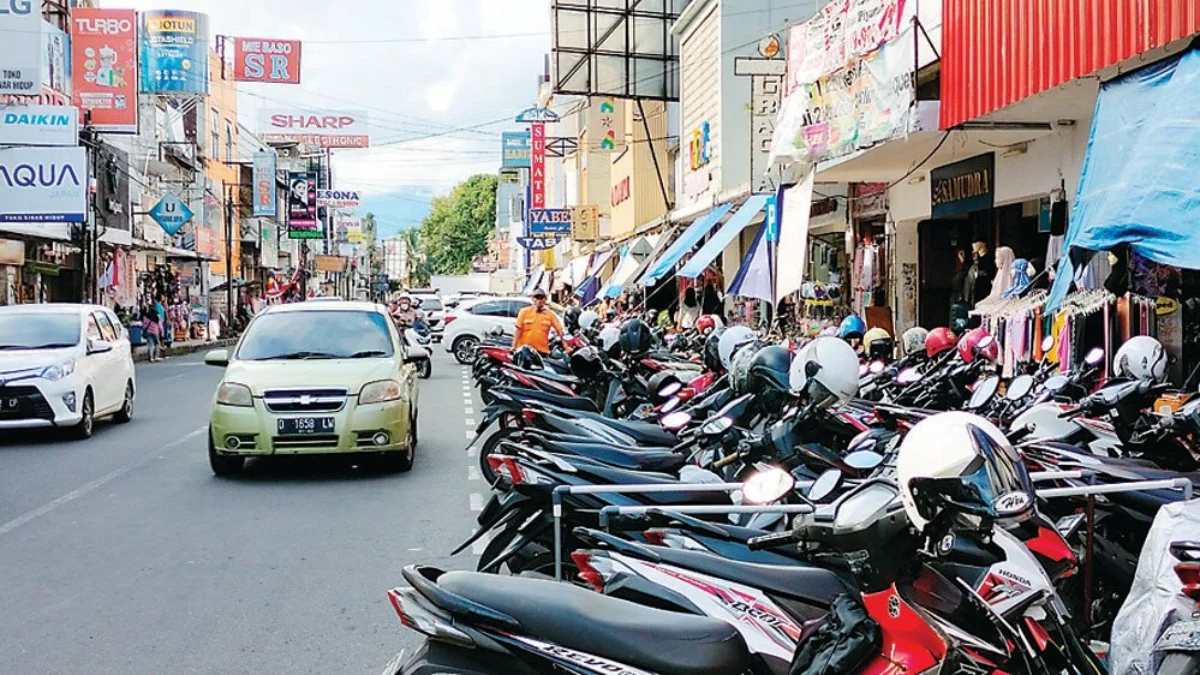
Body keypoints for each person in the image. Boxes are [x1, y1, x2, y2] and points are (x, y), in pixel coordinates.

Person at [513, 288, 564, 355]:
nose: (539, 300)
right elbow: (518, 330)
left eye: (541, 298)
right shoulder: (524, 312)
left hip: (541, 351)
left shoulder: (550, 315)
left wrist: (566, 346)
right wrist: (514, 347)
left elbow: (559, 330)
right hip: (525, 350)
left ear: (545, 299)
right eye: (536, 297)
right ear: (532, 299)